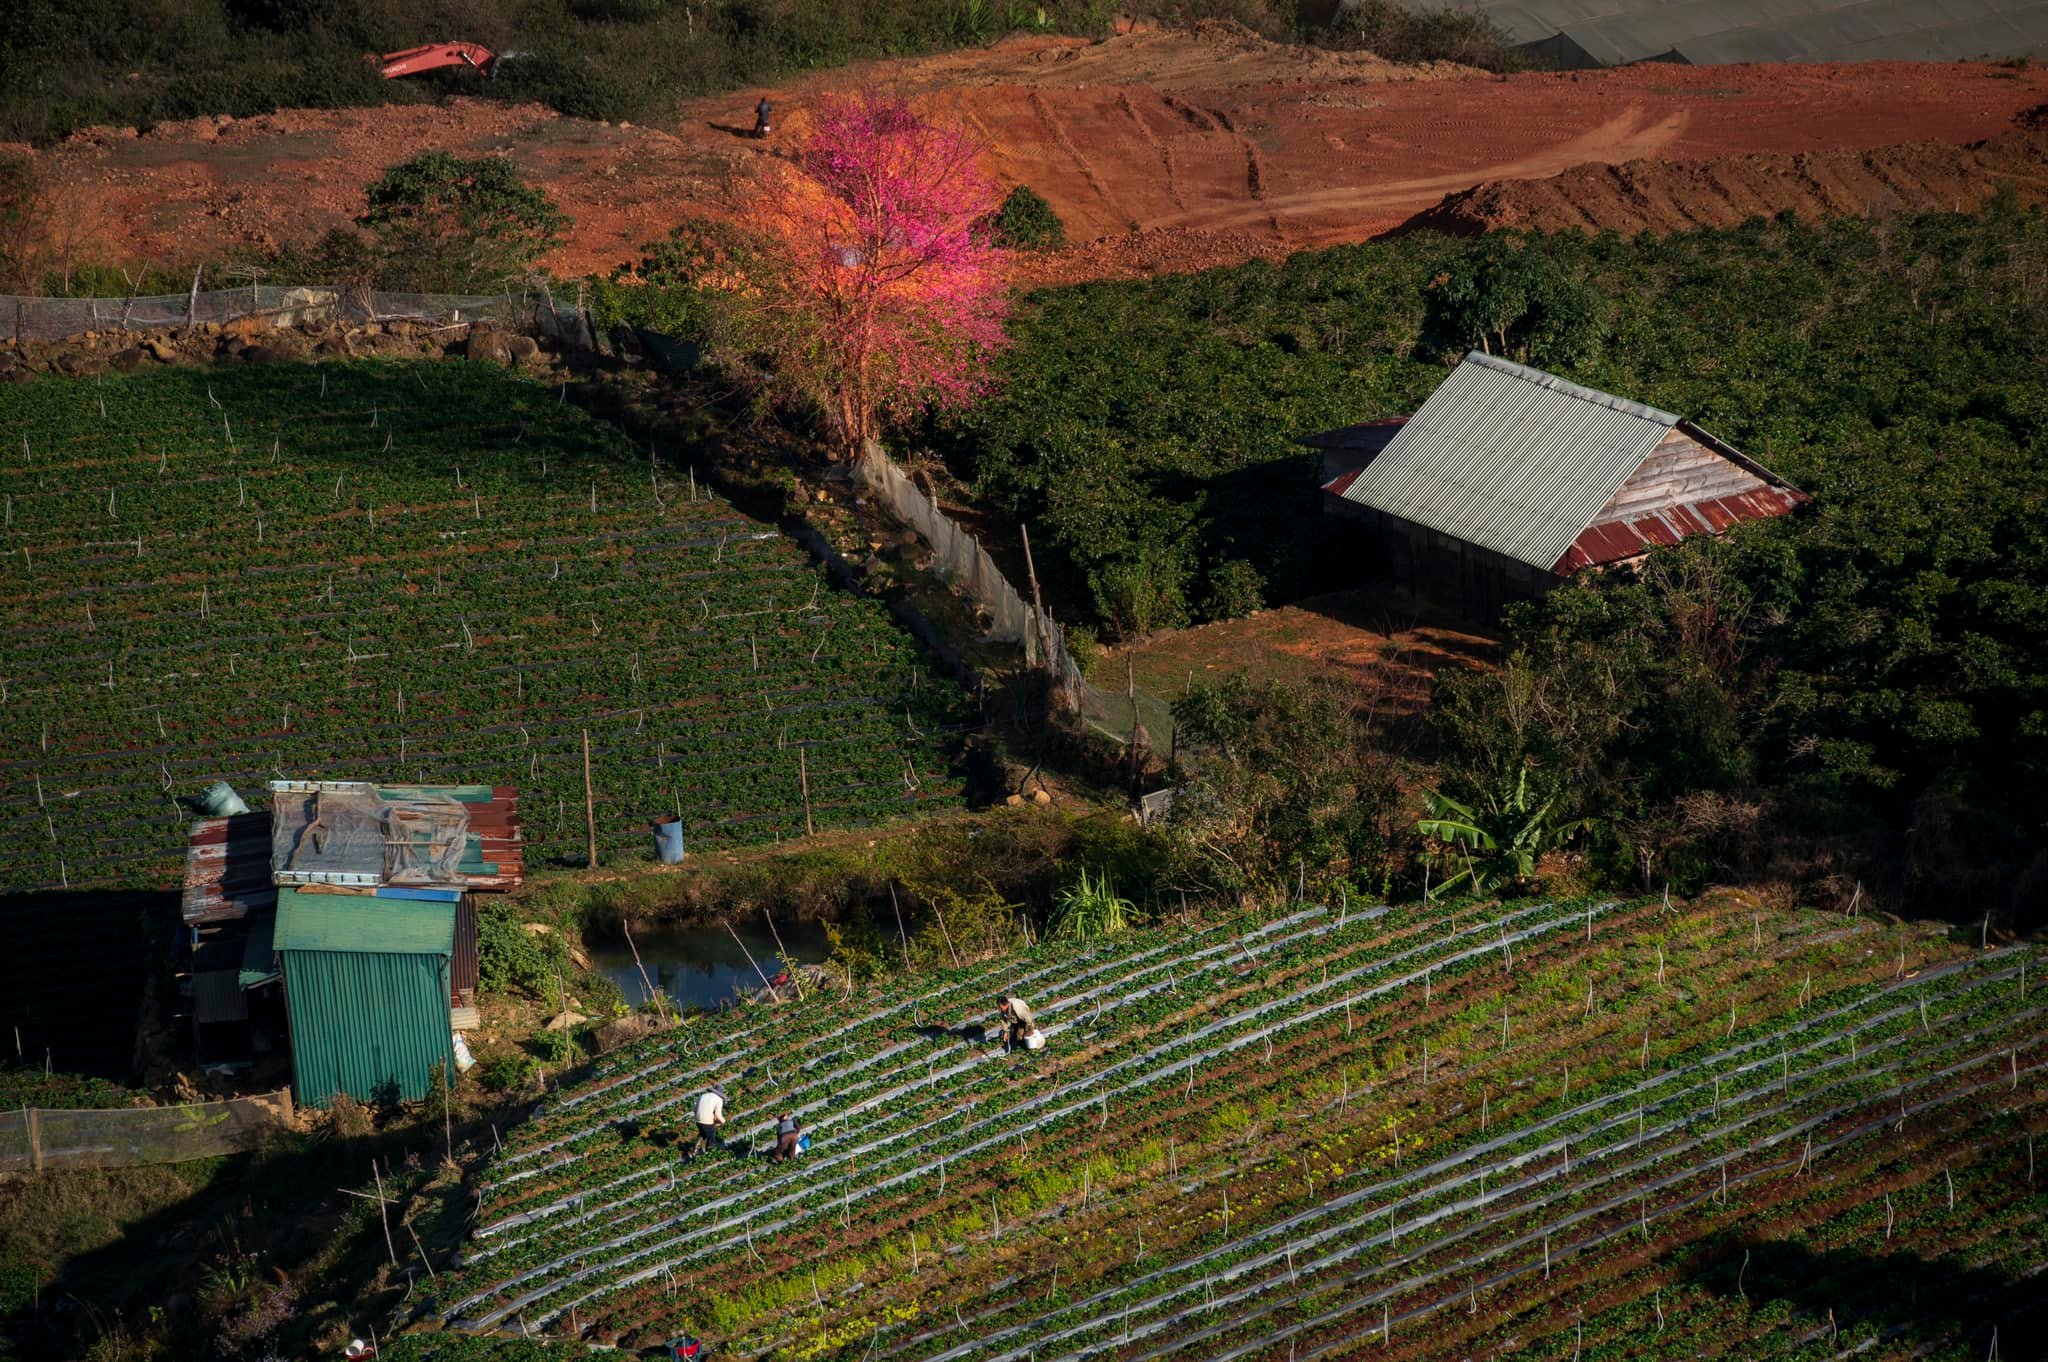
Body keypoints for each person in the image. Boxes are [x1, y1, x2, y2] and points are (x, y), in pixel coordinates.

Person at [691, 1083, 728, 1157]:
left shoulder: (703, 1095)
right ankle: (709, 1154)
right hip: (706, 1120)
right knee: (711, 1137)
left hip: (697, 1119)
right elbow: (718, 1115)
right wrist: (723, 1121)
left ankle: (695, 1150)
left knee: (703, 1133)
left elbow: (695, 1108)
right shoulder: (718, 1100)